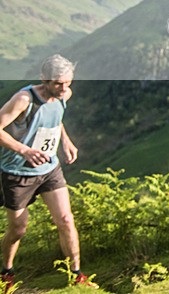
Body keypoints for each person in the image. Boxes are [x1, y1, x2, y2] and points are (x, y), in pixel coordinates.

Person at [0, 54, 98, 291]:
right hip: (17, 171)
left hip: (49, 168)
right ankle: (6, 271)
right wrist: (24, 150)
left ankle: (76, 275)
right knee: (18, 229)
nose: (63, 88)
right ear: (44, 79)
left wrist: (66, 140)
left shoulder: (65, 94)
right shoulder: (24, 99)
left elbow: (56, 117)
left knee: (65, 219)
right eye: (57, 83)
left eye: (67, 82)